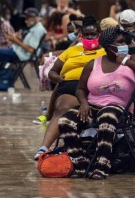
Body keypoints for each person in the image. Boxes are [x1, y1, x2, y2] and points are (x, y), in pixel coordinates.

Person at [58, 26, 135, 179]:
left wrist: (125, 61)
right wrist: (83, 103)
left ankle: (102, 165)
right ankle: (81, 164)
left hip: (120, 110)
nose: (123, 45)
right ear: (107, 46)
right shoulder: (93, 64)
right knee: (65, 121)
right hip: (92, 107)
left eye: (124, 42)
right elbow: (80, 89)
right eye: (119, 43)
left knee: (107, 116)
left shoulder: (132, 59)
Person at [33, 16, 105, 160]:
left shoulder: (104, 52)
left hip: (93, 88)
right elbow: (52, 71)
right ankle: (43, 148)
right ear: (81, 36)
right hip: (70, 86)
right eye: (86, 35)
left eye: (93, 34)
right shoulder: (72, 51)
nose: (90, 37)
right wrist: (60, 79)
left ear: (99, 35)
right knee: (62, 109)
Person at [0, 7, 46, 91]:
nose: (25, 20)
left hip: (21, 55)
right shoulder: (33, 28)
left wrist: (15, 40)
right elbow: (28, 43)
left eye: (27, 18)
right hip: (16, 50)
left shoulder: (38, 30)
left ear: (34, 18)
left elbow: (31, 50)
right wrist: (18, 38)